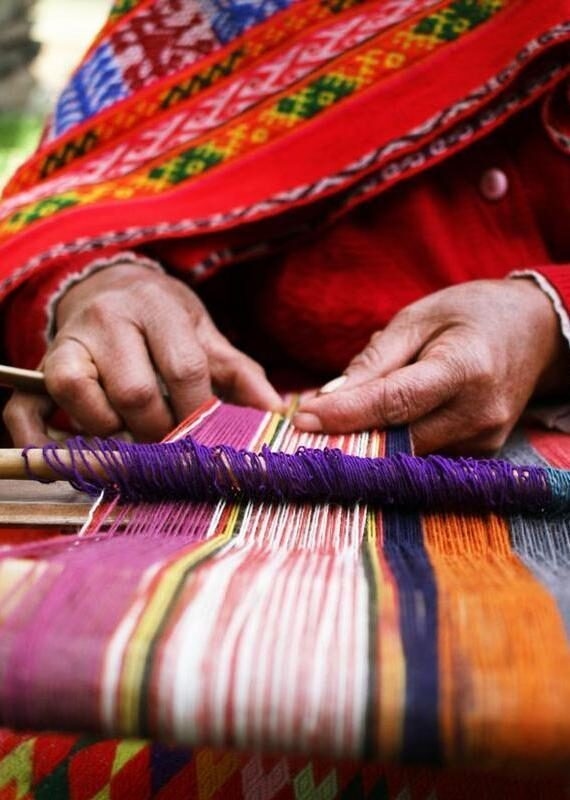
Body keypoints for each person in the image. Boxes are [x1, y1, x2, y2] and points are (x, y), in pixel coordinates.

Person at [0, 0, 569, 455]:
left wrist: (550, 322)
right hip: (230, 460)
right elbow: (62, 213)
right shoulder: (202, 12)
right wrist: (99, 283)